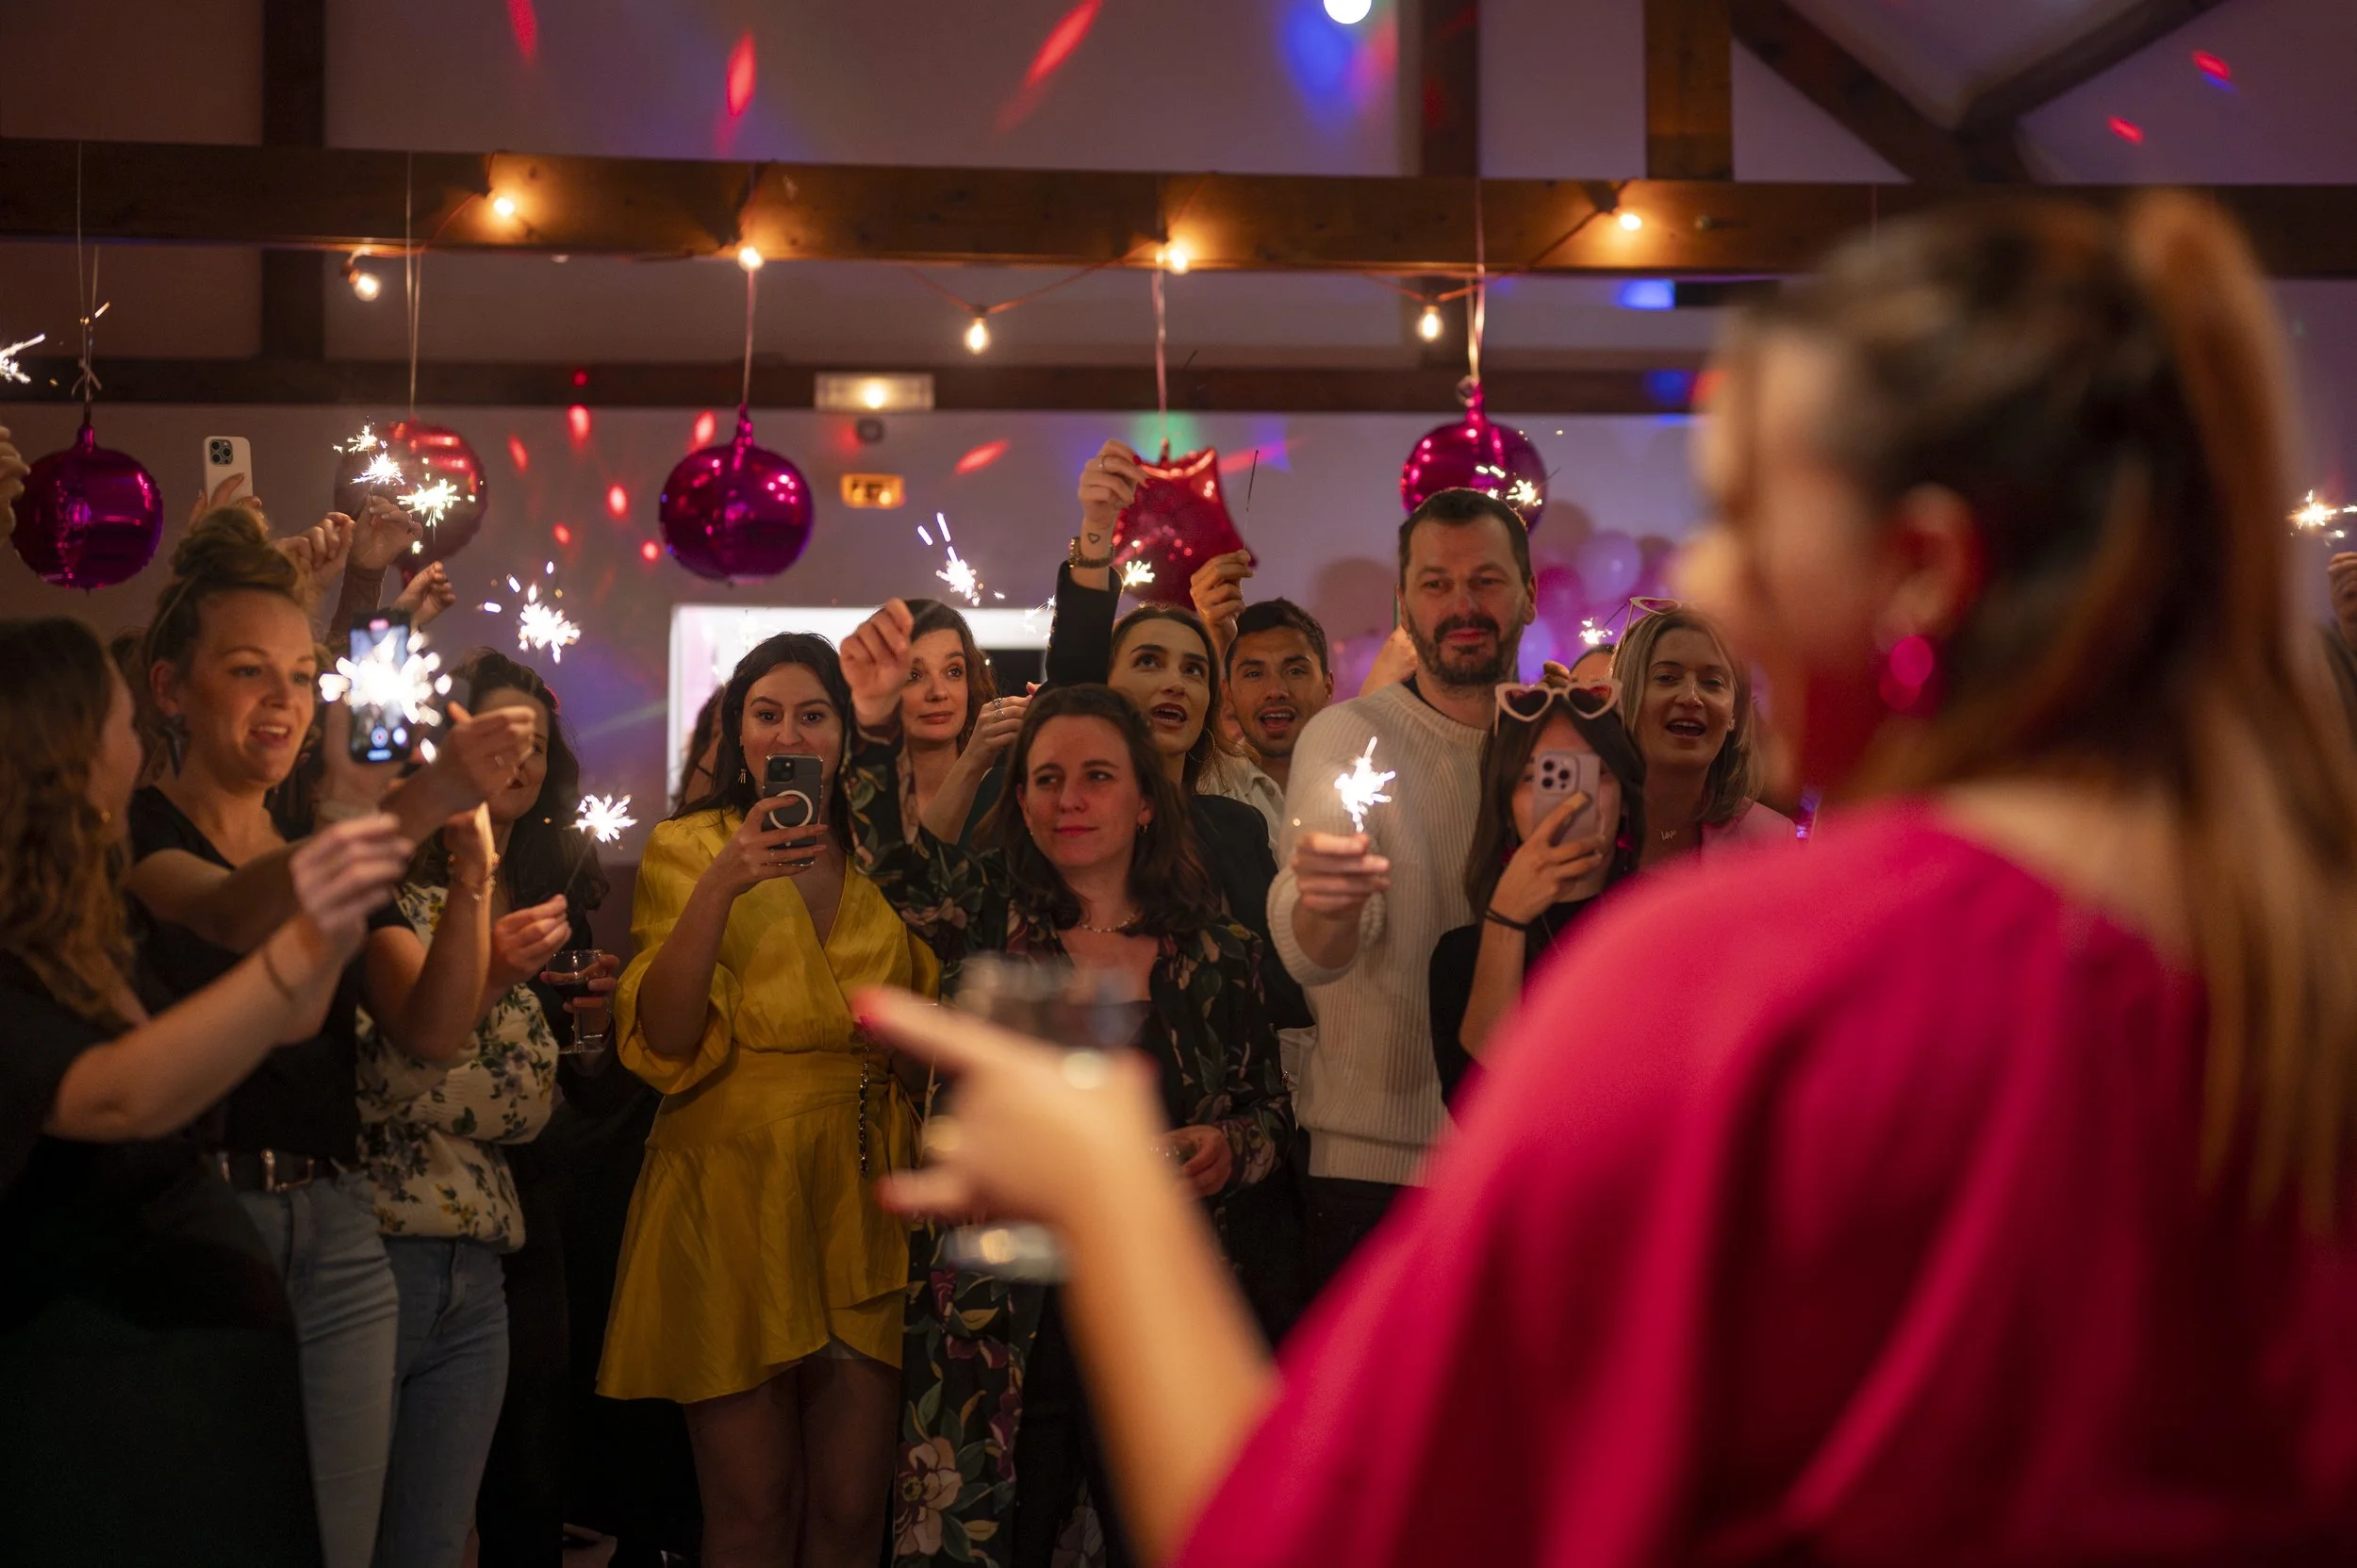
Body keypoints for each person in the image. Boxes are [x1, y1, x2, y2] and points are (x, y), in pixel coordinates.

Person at [853, 191, 2357, 1566]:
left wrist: (1104, 1192)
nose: (1713, 591)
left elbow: (1308, 1529)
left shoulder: (1749, 975)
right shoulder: (2285, 973)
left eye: (1754, 523)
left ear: (1924, 569)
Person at [123, 507, 534, 1568]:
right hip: (199, 1222)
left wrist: (471, 869)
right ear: (170, 687)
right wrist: (410, 801)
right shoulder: (137, 830)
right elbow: (237, 908)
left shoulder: (323, 837)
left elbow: (432, 1026)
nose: (284, 702)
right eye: (248, 672)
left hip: (345, 1230)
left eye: (303, 677)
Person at [838, 600, 1289, 1568]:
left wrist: (1230, 1146)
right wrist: (873, 731)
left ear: (1144, 801)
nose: (1068, 799)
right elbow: (884, 881)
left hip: (1157, 1314)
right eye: (1046, 778)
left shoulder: (1220, 953)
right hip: (997, 1321)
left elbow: (1267, 1113)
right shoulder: (985, 924)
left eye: (1096, 776)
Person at [0, 614, 412, 1567]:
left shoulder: (91, 930)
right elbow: (118, 1096)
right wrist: (308, 935)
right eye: (122, 722)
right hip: (90, 1380)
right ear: (67, 749)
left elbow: (291, 1017)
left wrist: (351, 810)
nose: (138, 742)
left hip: (199, 1376)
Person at [602, 632, 940, 1568]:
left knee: (849, 1510)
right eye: (767, 714)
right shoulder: (687, 846)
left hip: (863, 1185)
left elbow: (929, 1037)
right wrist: (722, 883)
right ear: (737, 733)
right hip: (731, 1183)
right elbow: (665, 1036)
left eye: (812, 714)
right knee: (752, 1508)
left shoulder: (884, 856)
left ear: (844, 736)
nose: (789, 734)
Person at [347, 650, 603, 1568]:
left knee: (463, 1521)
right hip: (382, 1239)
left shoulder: (552, 881)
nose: (520, 762)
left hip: (497, 1242)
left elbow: (530, 1091)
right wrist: (477, 998)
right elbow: (382, 1077)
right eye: (498, 739)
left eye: (535, 744)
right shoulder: (388, 893)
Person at [1269, 485, 1535, 1295]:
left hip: (1533, 1165)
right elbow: (1316, 945)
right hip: (1377, 1176)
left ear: (1527, 593)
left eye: (1486, 580)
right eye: (1436, 583)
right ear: (1404, 603)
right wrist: (1330, 902)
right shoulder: (1349, 736)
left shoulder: (1562, 740)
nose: (1462, 605)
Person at [1057, 442, 1310, 1039]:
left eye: (1195, 670)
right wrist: (1097, 530)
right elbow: (1070, 671)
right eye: (1149, 661)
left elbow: (1285, 999)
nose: (1175, 682)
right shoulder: (1067, 821)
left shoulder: (1235, 829)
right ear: (1104, 688)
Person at [1427, 683, 1645, 1109]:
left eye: (1590, 772)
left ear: (1624, 798)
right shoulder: (1461, 956)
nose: (1569, 799)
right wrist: (1506, 917)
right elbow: (1476, 1110)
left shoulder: (1664, 929)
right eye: (1539, 776)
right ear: (1506, 806)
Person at [1611, 603, 1792, 863]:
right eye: (1666, 677)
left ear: (1734, 713)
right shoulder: (1575, 823)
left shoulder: (1771, 840)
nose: (1691, 698)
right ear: (1625, 696)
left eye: (1712, 682)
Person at [1192, 583, 1335, 842]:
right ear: (1228, 693)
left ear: (1328, 686)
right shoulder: (1206, 785)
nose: (1276, 690)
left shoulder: (1367, 780)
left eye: (1295, 671)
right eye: (1254, 674)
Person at [897, 596, 1026, 844]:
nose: (938, 692)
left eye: (953, 671)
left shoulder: (1008, 793)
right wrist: (973, 758)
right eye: (913, 675)